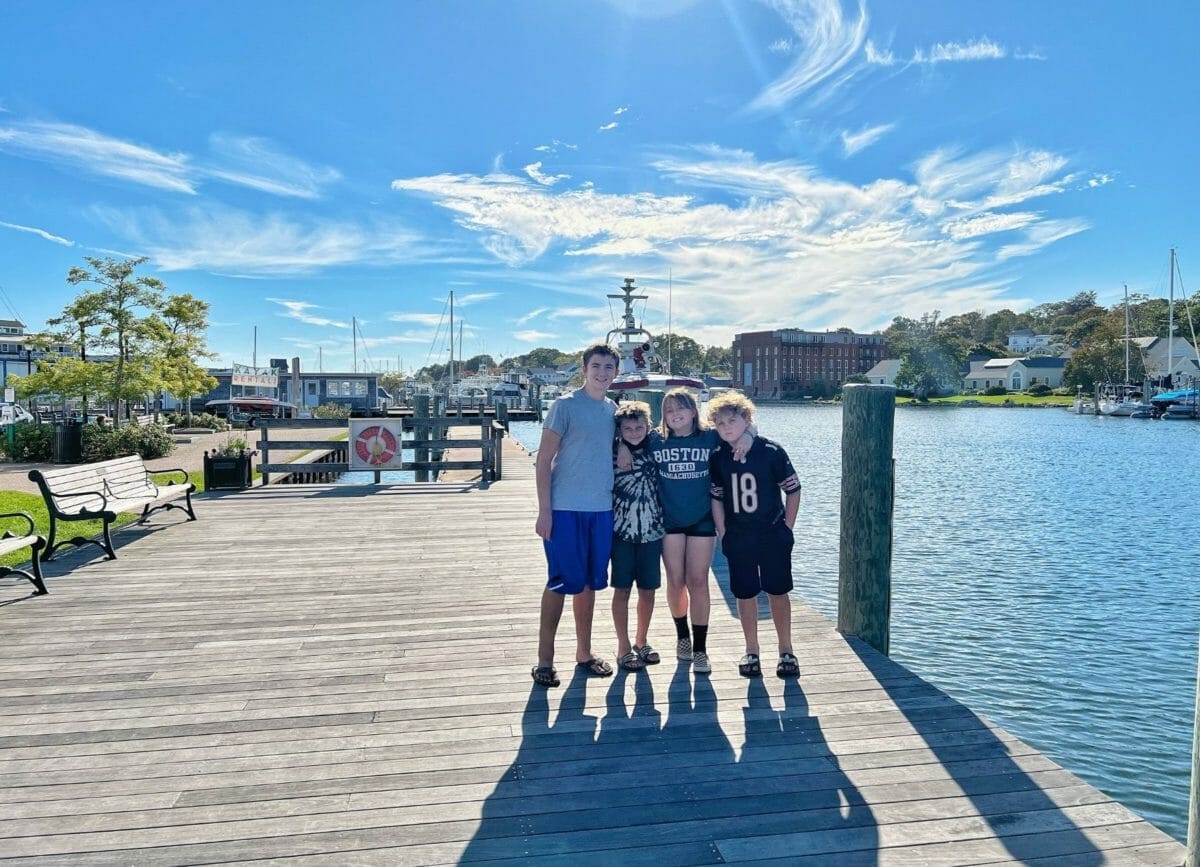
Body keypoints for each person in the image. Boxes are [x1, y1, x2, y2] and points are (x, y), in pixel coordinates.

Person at [532, 343, 620, 688]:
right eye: (596, 366)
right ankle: (544, 660)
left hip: (601, 510)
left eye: (609, 367)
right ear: (584, 369)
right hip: (565, 509)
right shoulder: (564, 407)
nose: (602, 372)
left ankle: (584, 654)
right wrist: (544, 512)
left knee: (589, 584)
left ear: (616, 372)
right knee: (559, 582)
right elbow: (542, 462)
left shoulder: (614, 410)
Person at [707, 392, 802, 679]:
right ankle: (752, 649)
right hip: (739, 535)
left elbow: (793, 489)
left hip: (772, 532)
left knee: (777, 590)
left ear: (747, 420)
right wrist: (723, 531)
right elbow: (717, 497)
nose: (726, 428)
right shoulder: (718, 456)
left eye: (732, 421)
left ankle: (786, 649)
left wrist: (787, 526)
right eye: (720, 423)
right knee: (745, 593)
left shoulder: (771, 451)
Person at [610, 401, 665, 672]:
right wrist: (619, 444)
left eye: (639, 427)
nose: (634, 432)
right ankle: (623, 644)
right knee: (622, 590)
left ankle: (641, 639)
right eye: (628, 429)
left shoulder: (657, 447)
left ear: (648, 426)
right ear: (619, 431)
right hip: (621, 532)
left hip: (653, 532)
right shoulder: (611, 451)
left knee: (648, 590)